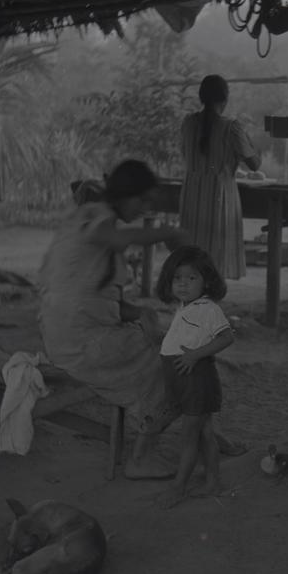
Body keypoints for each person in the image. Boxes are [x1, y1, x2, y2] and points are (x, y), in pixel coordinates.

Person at [38, 159, 188, 479]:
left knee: (163, 339)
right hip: (77, 341)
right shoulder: (97, 218)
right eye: (142, 200)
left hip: (71, 332)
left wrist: (143, 313)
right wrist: (169, 232)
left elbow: (100, 301)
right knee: (173, 360)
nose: (145, 208)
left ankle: (189, 435)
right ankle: (142, 457)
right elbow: (118, 240)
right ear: (123, 195)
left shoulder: (90, 219)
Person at [154, 245, 234, 509]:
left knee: (189, 436)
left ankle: (179, 488)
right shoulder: (186, 306)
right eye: (178, 278)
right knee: (205, 434)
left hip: (197, 380)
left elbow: (226, 337)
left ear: (207, 280)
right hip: (184, 379)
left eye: (192, 278)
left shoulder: (208, 309)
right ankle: (214, 481)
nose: (183, 284)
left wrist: (195, 355)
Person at [179, 74, 262, 280]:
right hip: (219, 198)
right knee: (215, 259)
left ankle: (193, 304)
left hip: (191, 197)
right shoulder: (232, 127)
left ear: (201, 98)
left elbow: (187, 155)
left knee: (193, 258)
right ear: (225, 100)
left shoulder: (188, 123)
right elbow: (254, 163)